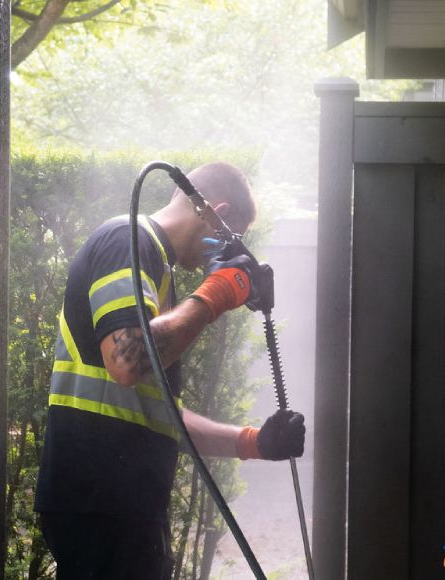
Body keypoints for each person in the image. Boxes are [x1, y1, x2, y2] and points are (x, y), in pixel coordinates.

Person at [34, 162, 306, 579]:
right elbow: (127, 360)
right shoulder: (127, 241)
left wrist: (254, 443)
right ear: (216, 210)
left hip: (120, 509)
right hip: (100, 505)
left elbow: (156, 415)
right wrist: (216, 294)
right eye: (235, 236)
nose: (232, 251)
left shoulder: (155, 269)